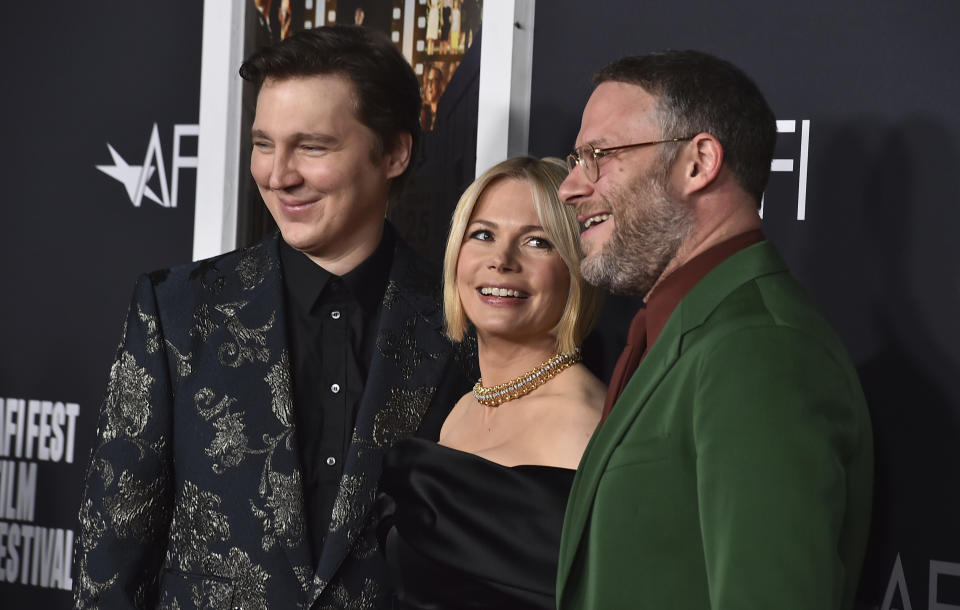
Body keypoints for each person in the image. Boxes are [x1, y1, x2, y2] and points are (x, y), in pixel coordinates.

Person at [74, 26, 472, 609]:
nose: (278, 174)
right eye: (264, 144)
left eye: (311, 147)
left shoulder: (461, 320)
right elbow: (109, 558)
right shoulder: (178, 310)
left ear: (394, 153)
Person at [556, 50, 873, 609]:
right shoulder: (682, 328)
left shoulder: (760, 350)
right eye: (577, 158)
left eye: (598, 155)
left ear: (698, 163)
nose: (570, 188)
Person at [377, 156, 606, 609]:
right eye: (482, 235)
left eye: (537, 242)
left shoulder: (587, 424)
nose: (501, 261)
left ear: (577, 268)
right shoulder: (461, 407)